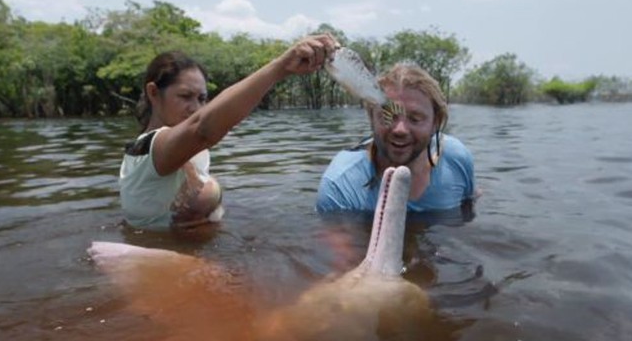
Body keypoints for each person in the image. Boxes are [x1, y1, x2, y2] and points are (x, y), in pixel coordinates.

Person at [120, 34, 339, 230]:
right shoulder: (149, 149)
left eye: (202, 99)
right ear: (153, 93)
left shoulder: (185, 152)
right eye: (185, 96)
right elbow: (202, 128)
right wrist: (280, 67)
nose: (196, 108)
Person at [316, 63, 476, 214]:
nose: (400, 130)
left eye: (415, 119)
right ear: (372, 118)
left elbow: (470, 204)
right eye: (387, 116)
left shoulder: (456, 159)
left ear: (435, 123)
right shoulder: (341, 184)